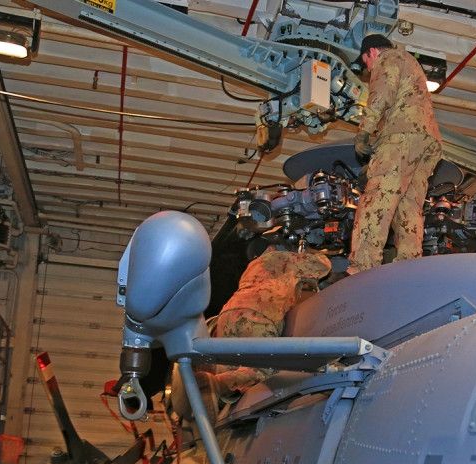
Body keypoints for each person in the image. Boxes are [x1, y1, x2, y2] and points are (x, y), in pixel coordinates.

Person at [170, 246, 332, 421]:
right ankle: (215, 383)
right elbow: (324, 265)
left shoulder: (254, 264)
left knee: (235, 366)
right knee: (266, 370)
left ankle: (212, 382)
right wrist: (315, 252)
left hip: (229, 313)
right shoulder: (289, 259)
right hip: (259, 312)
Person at [348, 34, 443, 273]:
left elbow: (382, 93)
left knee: (377, 197)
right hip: (427, 141)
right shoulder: (409, 62)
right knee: (408, 204)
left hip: (402, 137)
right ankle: (409, 266)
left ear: (371, 52)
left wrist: (364, 131)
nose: (369, 69)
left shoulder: (388, 58)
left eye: (366, 63)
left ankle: (363, 265)